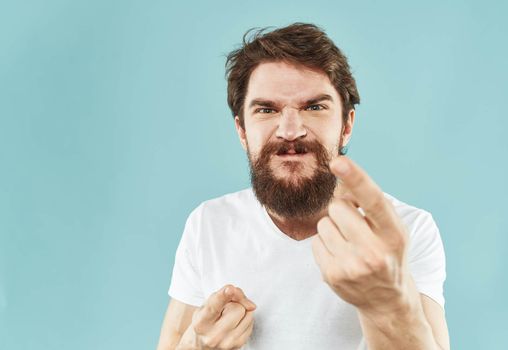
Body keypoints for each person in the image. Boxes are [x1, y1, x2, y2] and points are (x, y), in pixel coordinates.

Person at [157, 23, 450, 350]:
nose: (290, 131)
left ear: (346, 126)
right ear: (242, 131)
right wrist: (198, 344)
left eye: (314, 107)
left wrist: (388, 303)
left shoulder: (407, 230)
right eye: (267, 109)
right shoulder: (207, 224)